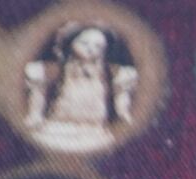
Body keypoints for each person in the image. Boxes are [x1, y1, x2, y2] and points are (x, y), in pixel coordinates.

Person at [22, 23, 140, 154]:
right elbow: (38, 93)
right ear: (71, 43)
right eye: (84, 43)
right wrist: (35, 114)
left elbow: (121, 96)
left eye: (98, 46)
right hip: (58, 129)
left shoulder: (112, 73)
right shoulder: (54, 70)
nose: (91, 49)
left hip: (95, 132)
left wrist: (123, 112)